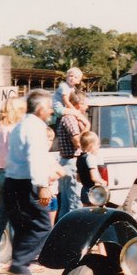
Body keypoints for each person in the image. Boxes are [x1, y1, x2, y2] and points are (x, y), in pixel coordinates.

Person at [4, 90, 55, 275]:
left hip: (12, 181)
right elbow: (36, 158)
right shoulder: (36, 128)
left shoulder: (20, 125)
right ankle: (18, 266)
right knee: (42, 227)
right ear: (41, 109)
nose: (51, 111)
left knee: (23, 228)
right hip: (28, 184)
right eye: (49, 107)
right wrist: (43, 186)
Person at [0, 96, 27, 273]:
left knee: (0, 221)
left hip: (1, 175)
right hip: (16, 176)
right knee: (20, 221)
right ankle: (19, 261)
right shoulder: (16, 130)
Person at [55, 91, 89, 219]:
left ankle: (63, 235)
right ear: (78, 104)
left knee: (65, 204)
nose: (87, 107)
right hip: (71, 162)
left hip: (65, 162)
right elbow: (77, 143)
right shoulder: (70, 119)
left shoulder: (69, 118)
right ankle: (74, 236)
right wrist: (87, 127)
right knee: (75, 203)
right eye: (85, 104)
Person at [77, 131, 108, 206]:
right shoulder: (91, 158)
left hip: (84, 191)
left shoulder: (79, 158)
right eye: (97, 145)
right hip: (93, 192)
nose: (98, 147)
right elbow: (93, 177)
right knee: (97, 213)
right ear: (92, 145)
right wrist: (102, 181)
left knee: (86, 213)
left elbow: (78, 178)